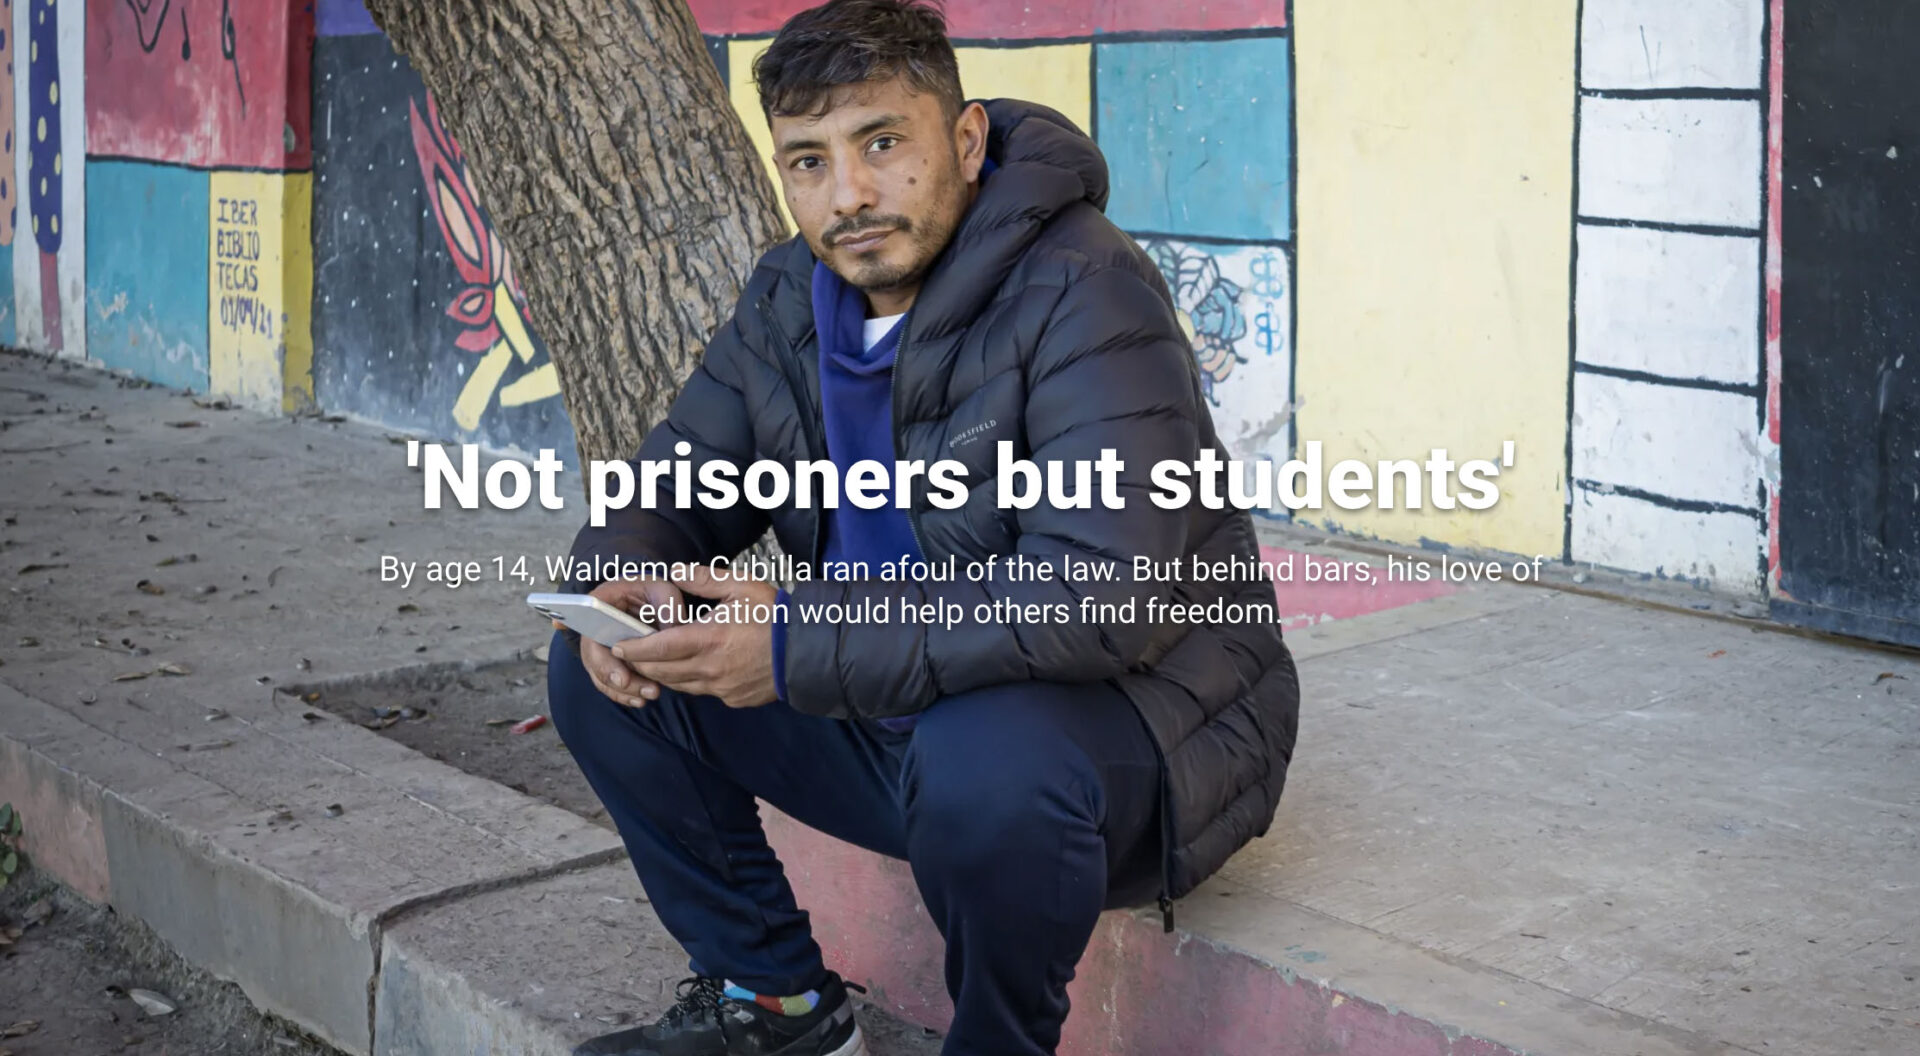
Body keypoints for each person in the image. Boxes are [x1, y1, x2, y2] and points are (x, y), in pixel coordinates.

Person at [546, 2, 1299, 1053]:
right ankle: (780, 1010)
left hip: (1123, 745)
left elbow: (1101, 602)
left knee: (979, 758)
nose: (847, 194)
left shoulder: (1085, 285)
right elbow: (670, 488)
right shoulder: (788, 303)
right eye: (807, 162)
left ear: (967, 138)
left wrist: (797, 638)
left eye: (881, 143)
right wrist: (616, 584)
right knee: (604, 665)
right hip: (891, 714)